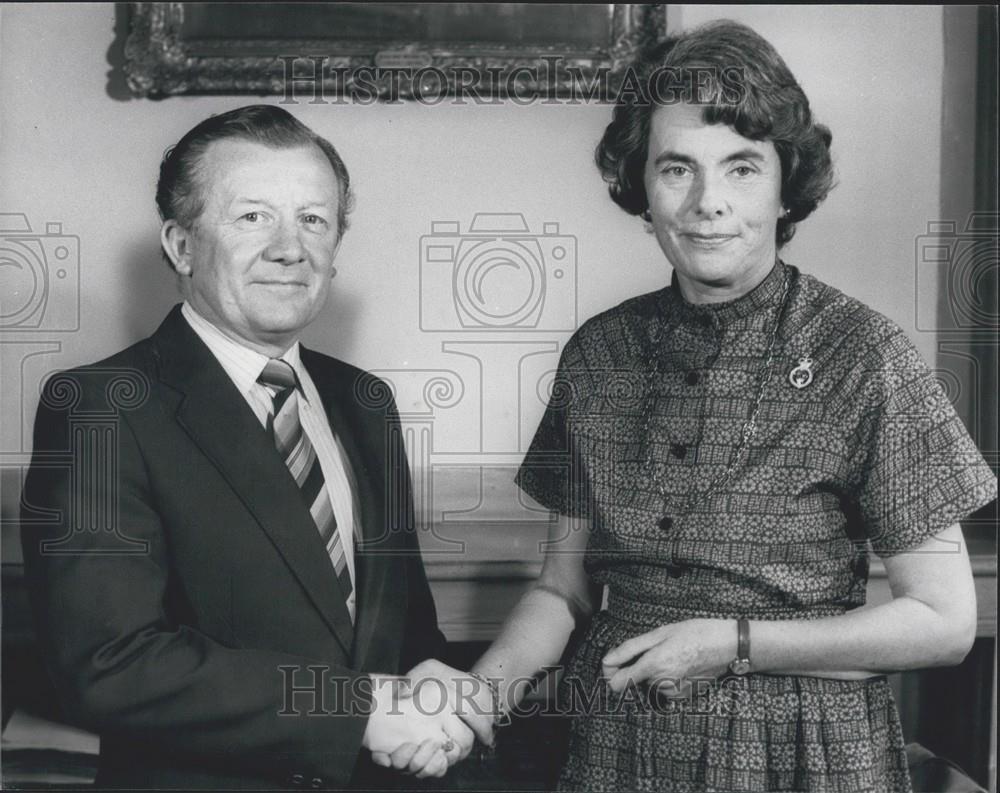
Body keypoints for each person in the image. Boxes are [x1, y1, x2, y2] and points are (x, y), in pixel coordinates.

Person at [411, 21, 998, 792]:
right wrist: (473, 698)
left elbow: (944, 622)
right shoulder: (599, 354)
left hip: (803, 748)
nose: (707, 203)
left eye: (742, 168)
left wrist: (734, 641)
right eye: (677, 168)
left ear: (788, 184)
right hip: (623, 744)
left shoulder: (866, 355)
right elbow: (563, 589)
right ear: (641, 185)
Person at [20, 105, 487, 790]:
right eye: (252, 217)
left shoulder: (366, 403)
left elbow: (398, 627)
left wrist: (425, 679)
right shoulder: (100, 407)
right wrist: (355, 710)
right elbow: (109, 663)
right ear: (180, 245)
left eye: (314, 220)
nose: (290, 248)